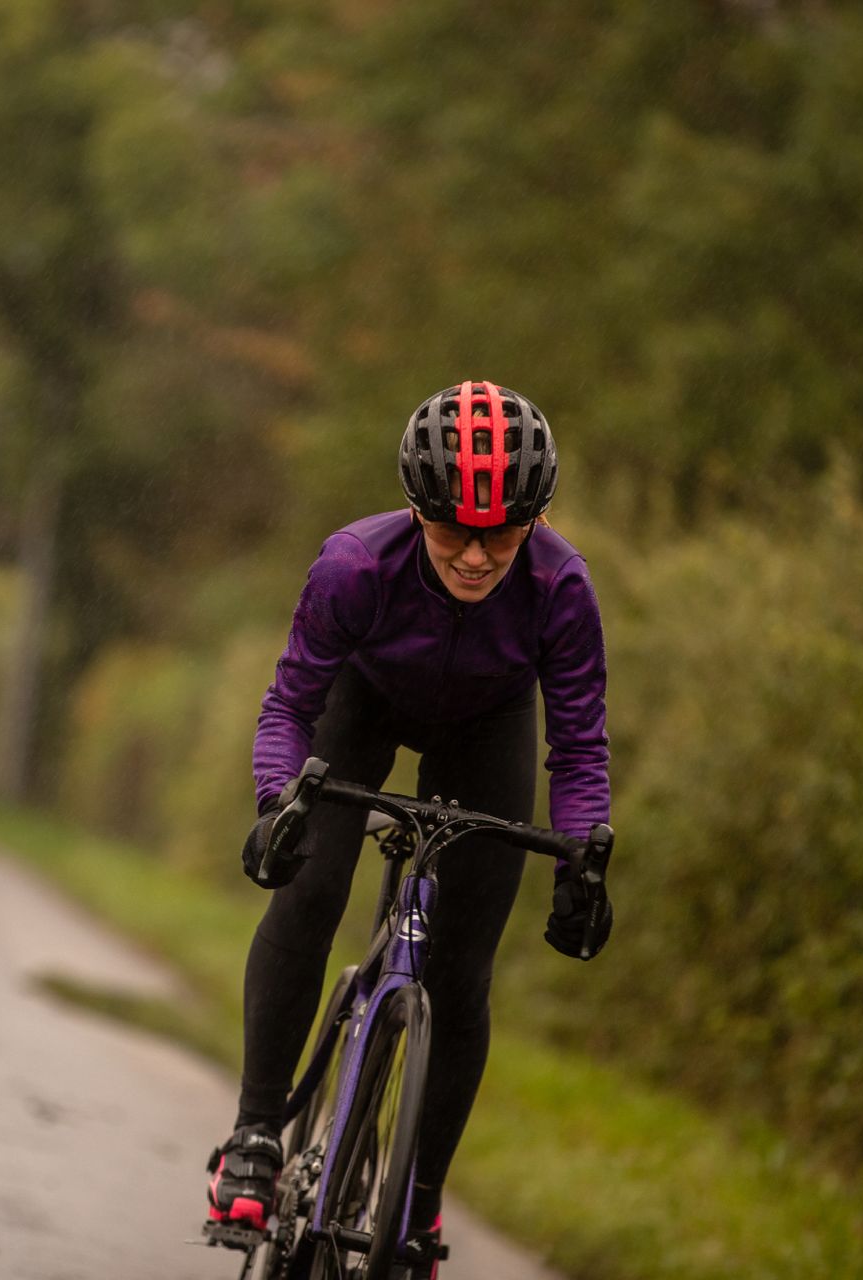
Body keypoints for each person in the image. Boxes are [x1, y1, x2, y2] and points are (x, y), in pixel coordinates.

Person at [204, 380, 613, 1275]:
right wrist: (279, 802)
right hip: (364, 703)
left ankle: (419, 1211)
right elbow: (288, 706)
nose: (474, 555)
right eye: (452, 530)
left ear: (533, 521)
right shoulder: (354, 566)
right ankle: (256, 1135)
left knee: (462, 973)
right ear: (416, 511)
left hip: (487, 729)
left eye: (500, 532)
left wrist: (585, 856)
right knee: (310, 891)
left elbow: (579, 747)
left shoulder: (560, 589)